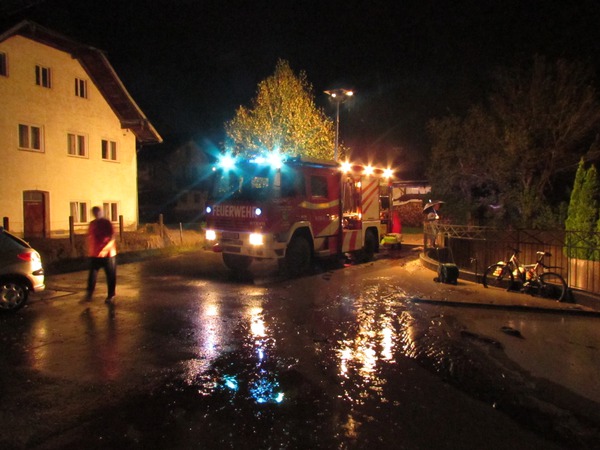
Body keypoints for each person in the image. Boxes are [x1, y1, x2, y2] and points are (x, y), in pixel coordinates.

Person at [85, 206, 117, 304]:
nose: (96, 214)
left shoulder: (107, 223)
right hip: (95, 254)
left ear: (101, 213)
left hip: (108, 255)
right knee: (92, 275)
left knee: (110, 275)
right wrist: (90, 249)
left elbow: (112, 237)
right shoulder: (92, 224)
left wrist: (105, 249)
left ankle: (111, 295)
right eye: (94, 213)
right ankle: (89, 294)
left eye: (98, 212)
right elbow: (90, 237)